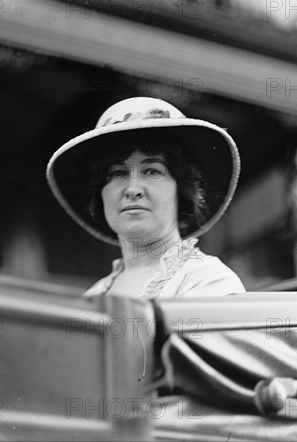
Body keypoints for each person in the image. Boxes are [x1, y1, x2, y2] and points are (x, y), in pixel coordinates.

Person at [46, 97, 245, 298]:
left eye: (151, 171)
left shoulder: (208, 281)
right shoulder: (93, 297)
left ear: (181, 188)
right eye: (117, 173)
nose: (133, 189)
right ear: (101, 195)